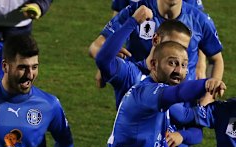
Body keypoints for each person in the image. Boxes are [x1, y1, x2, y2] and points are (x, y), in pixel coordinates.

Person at [90, 0, 222, 101]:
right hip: (138, 95)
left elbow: (216, 59)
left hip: (182, 100)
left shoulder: (200, 20)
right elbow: (96, 47)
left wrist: (208, 98)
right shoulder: (137, 11)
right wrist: (108, 62)